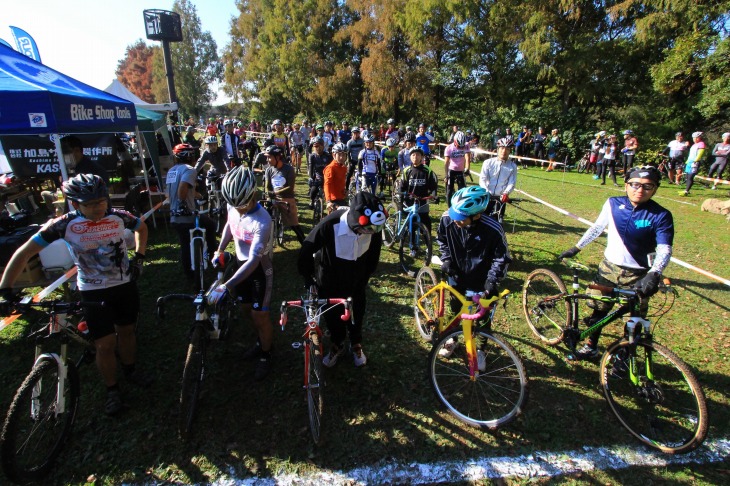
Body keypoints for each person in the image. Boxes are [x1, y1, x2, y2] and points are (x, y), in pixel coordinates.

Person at [1, 173, 151, 415]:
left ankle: (131, 369)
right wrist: (6, 289)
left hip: (123, 285)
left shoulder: (119, 216)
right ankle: (112, 390)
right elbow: (23, 253)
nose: (98, 208)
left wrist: (140, 257)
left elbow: (141, 228)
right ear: (74, 203)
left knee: (126, 331)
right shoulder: (63, 224)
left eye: (101, 201)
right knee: (104, 344)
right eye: (90, 204)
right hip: (92, 289)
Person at [558, 166, 673, 359]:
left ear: (655, 189)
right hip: (608, 269)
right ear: (626, 185)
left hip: (639, 274)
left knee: (635, 320)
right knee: (597, 311)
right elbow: (597, 228)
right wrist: (576, 248)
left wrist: (655, 272)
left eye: (647, 186)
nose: (640, 190)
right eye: (634, 184)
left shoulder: (661, 215)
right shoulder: (612, 204)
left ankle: (626, 357)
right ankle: (590, 347)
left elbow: (665, 248)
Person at [297, 191, 386, 367]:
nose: (367, 234)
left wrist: (367, 274)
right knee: (333, 314)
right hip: (331, 279)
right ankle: (337, 343)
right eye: (363, 230)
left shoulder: (373, 227)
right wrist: (308, 278)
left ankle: (356, 343)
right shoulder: (331, 224)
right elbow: (306, 249)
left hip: (357, 278)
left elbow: (374, 253)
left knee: (357, 310)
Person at [208, 167, 274, 380]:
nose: (238, 209)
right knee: (247, 310)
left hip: (259, 270)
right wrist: (220, 248)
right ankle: (259, 341)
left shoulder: (263, 221)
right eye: (234, 205)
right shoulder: (234, 204)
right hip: (240, 264)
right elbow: (229, 223)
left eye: (242, 205)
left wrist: (227, 285)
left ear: (253, 195)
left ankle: (266, 354)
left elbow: (255, 260)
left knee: (260, 315)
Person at [437, 186, 511, 309]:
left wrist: (492, 280)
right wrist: (447, 259)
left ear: (476, 216)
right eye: (454, 213)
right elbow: (442, 240)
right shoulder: (447, 219)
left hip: (481, 280)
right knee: (455, 311)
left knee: (481, 320)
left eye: (460, 218)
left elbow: (501, 258)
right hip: (456, 275)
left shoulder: (493, 230)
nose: (455, 219)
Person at [168, 143, 218, 279]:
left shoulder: (171, 170)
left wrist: (198, 195)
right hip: (186, 214)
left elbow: (179, 189)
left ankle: (189, 274)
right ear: (189, 156)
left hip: (173, 215)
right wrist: (183, 203)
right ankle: (215, 255)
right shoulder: (190, 169)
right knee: (211, 225)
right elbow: (183, 188)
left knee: (184, 244)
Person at [41, 135, 110, 217]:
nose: (62, 156)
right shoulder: (69, 169)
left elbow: (98, 199)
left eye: (64, 152)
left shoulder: (93, 170)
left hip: (94, 217)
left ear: (77, 150)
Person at [263, 145, 306, 243]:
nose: (267, 160)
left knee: (294, 224)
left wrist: (276, 192)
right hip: (273, 198)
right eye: (267, 157)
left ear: (278, 157)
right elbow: (267, 186)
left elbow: (290, 188)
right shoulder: (268, 170)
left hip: (286, 198)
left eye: (269, 157)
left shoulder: (289, 169)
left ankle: (306, 245)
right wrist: (269, 194)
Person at [478, 137, 518, 221]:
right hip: (487, 195)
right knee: (482, 219)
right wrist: (486, 191)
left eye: (507, 149)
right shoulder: (488, 163)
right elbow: (482, 179)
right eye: (502, 148)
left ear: (510, 151)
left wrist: (506, 193)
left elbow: (512, 182)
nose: (504, 151)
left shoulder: (513, 166)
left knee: (498, 221)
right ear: (497, 149)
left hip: (501, 197)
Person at [400, 147, 439, 233]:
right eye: (413, 155)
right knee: (410, 227)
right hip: (409, 202)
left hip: (422, 203)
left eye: (418, 155)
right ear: (410, 157)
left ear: (422, 157)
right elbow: (402, 187)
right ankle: (407, 243)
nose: (415, 157)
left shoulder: (427, 171)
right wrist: (401, 198)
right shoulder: (406, 171)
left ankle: (428, 243)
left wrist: (434, 195)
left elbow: (433, 186)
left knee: (427, 225)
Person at [443, 131, 471, 208]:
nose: (460, 147)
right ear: (455, 141)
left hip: (460, 170)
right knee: (449, 190)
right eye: (459, 146)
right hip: (451, 170)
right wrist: (446, 175)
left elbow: (467, 158)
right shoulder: (449, 148)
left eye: (462, 146)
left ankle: (461, 206)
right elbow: (446, 163)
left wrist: (467, 169)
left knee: (463, 190)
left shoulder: (466, 145)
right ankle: (449, 208)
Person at [680, 132, 707, 196]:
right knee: (687, 176)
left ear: (699, 138)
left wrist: (696, 160)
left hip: (694, 162)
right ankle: (687, 189)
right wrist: (687, 161)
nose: (694, 139)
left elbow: (700, 153)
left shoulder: (701, 144)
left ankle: (686, 190)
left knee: (690, 176)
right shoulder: (694, 145)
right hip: (689, 162)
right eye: (694, 138)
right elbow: (691, 154)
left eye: (696, 138)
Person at [308, 137, 333, 208]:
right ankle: (312, 201)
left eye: (318, 146)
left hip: (327, 177)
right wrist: (310, 177)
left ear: (322, 146)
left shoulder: (328, 156)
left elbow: (332, 168)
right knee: (313, 191)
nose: (317, 148)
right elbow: (311, 168)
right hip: (317, 177)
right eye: (315, 146)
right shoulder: (312, 156)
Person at [324, 143, 349, 212]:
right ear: (334, 155)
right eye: (339, 154)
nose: (341, 157)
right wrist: (328, 201)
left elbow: (341, 182)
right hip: (333, 200)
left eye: (344, 155)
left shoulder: (343, 167)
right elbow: (327, 185)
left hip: (341, 198)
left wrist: (345, 190)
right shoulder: (330, 168)